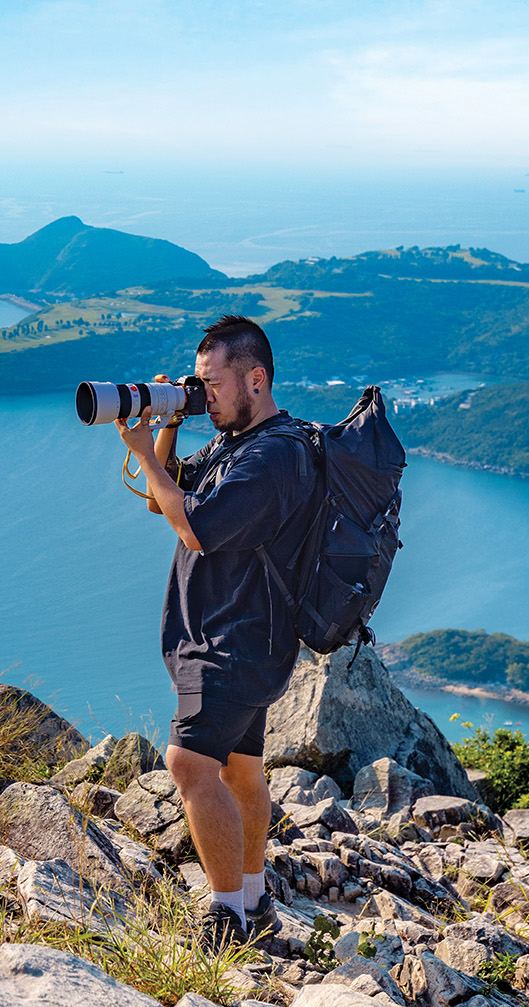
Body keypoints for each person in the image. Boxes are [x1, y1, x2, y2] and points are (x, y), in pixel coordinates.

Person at [114, 314, 319, 950]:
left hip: (232, 641)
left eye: (214, 384)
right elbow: (162, 499)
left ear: (256, 379)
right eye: (197, 383)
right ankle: (254, 901)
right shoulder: (237, 444)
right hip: (245, 639)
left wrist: (141, 451)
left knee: (188, 764)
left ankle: (227, 917)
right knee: (240, 771)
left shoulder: (273, 456)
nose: (205, 396)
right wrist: (166, 425)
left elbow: (195, 528)